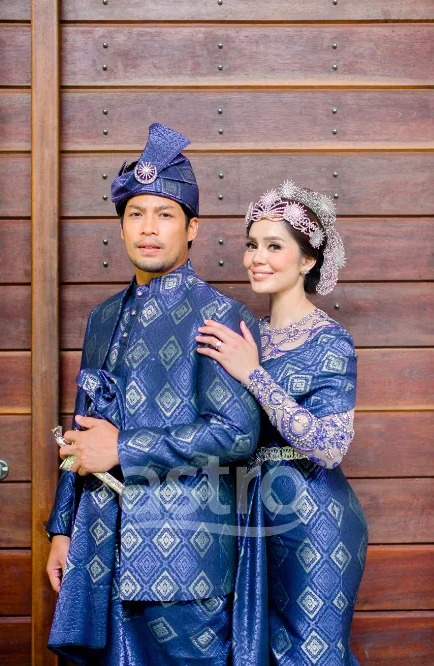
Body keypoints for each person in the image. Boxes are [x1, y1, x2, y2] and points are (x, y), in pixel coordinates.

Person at [45, 123, 261, 665]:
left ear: (192, 229)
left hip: (184, 557)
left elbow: (236, 434)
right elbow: (81, 430)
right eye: (136, 213)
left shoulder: (221, 314)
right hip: (99, 547)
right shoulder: (101, 319)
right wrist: (61, 529)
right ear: (121, 227)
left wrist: (123, 447)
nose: (148, 227)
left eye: (164, 214)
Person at [196, 180, 368, 665]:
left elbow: (330, 447)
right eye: (252, 245)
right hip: (253, 515)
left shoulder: (331, 341)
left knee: (310, 655)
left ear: (307, 260)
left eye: (274, 246)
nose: (257, 258)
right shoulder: (248, 336)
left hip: (315, 521)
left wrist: (253, 375)